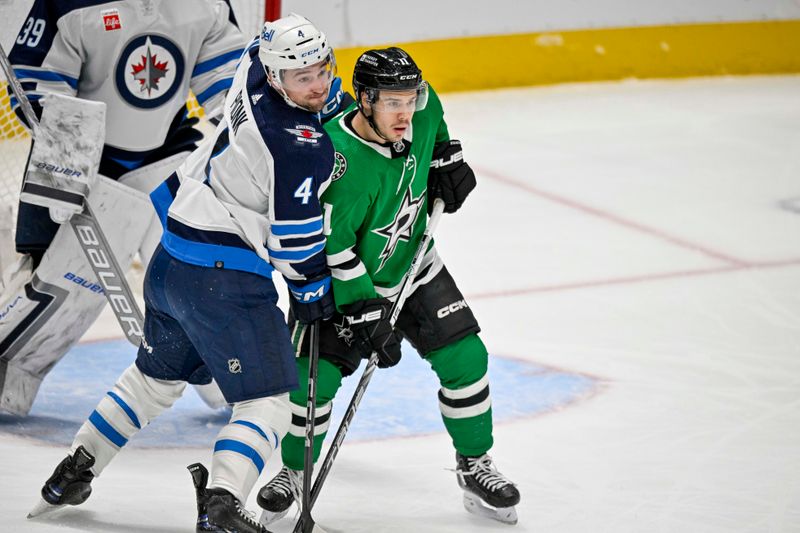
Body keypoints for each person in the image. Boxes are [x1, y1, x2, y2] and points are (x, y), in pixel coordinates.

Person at [30, 13, 338, 533]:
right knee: (267, 401)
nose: (317, 85)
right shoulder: (302, 146)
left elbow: (289, 71)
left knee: (152, 382)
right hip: (223, 280)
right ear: (278, 74)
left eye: (322, 70)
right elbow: (294, 243)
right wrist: (315, 291)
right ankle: (221, 502)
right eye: (302, 76)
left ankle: (74, 469)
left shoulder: (252, 73)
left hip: (171, 259)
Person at [257, 47, 521, 526]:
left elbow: (437, 128)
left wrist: (446, 158)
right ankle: (293, 471)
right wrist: (365, 310)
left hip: (416, 268)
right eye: (392, 102)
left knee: (467, 358)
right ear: (364, 100)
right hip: (344, 288)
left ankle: (473, 463)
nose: (406, 112)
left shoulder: (423, 107)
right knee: (312, 388)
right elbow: (334, 249)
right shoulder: (336, 162)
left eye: (410, 98)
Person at [0, 0, 247, 416]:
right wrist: (69, 156)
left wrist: (240, 132)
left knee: (202, 277)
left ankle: (242, 384)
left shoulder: (205, 4)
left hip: (169, 156)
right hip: (82, 163)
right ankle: (9, 377)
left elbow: (228, 78)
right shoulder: (67, 3)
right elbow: (36, 80)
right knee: (62, 286)